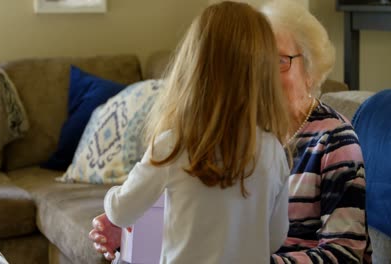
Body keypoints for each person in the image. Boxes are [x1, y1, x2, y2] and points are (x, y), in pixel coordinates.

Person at [90, 1, 293, 263]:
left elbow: (121, 211)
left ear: (194, 67)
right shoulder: (274, 150)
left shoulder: (172, 146)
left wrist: (109, 201)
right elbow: (275, 238)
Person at [260, 1, 373, 263]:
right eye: (259, 61)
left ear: (310, 69)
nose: (266, 74)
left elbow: (345, 253)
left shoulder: (336, 140)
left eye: (280, 61)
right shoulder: (250, 133)